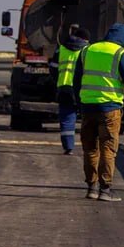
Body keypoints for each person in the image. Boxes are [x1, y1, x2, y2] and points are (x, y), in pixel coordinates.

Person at [73, 23, 124, 202]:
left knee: (90, 148)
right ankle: (105, 190)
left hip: (88, 107)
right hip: (110, 108)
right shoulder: (121, 53)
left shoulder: (87, 51)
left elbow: (76, 80)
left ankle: (91, 188)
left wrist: (80, 104)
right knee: (108, 148)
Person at [52, 25, 90, 155]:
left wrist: (58, 80)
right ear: (85, 39)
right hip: (82, 89)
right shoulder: (87, 50)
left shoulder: (61, 49)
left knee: (67, 118)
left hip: (64, 88)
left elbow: (53, 68)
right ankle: (90, 147)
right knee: (88, 118)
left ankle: (68, 147)